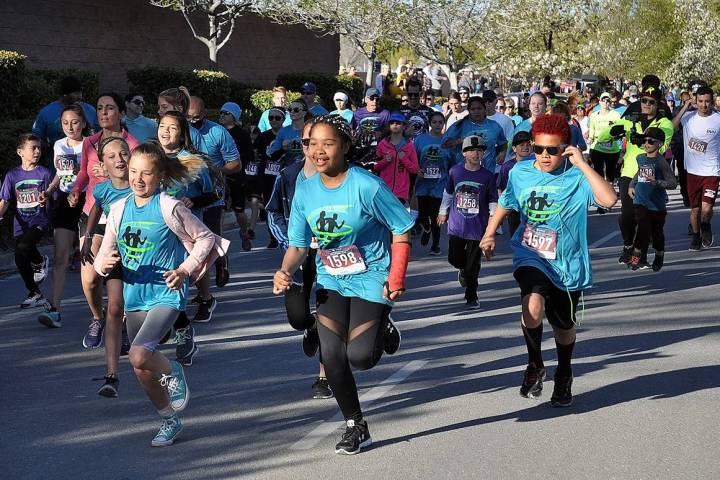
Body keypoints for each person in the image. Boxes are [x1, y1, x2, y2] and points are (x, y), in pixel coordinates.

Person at [273, 115, 410, 455]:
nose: (318, 151)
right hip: (331, 278)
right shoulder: (305, 190)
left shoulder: (367, 186)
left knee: (360, 357)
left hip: (371, 277)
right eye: (312, 143)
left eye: (327, 143)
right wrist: (285, 271)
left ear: (345, 146)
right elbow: (299, 245)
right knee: (332, 355)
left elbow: (401, 228)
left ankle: (382, 327)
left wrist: (397, 277)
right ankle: (355, 424)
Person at [95, 142, 228, 447]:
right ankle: (169, 420)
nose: (138, 179)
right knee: (141, 367)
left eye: (146, 174)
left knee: (140, 353)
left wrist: (184, 269)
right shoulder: (117, 210)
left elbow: (206, 238)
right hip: (135, 296)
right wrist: (107, 263)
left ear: (161, 176)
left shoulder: (170, 206)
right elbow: (102, 257)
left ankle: (175, 370)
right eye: (133, 172)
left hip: (168, 294)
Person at [480, 114, 617, 408]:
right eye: (538, 148)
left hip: (568, 265)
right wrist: (489, 234)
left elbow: (608, 200)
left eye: (552, 150)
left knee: (563, 326)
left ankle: (564, 373)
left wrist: (582, 164)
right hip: (531, 254)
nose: (543, 155)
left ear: (565, 148)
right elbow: (506, 202)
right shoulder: (520, 172)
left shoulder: (578, 175)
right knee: (532, 304)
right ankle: (534, 364)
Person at [267, 121, 332, 399]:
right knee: (298, 317)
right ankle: (311, 327)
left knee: (331, 315)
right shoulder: (288, 175)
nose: (314, 148)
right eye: (307, 142)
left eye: (321, 142)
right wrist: (291, 241)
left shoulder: (339, 177)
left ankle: (325, 377)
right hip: (298, 255)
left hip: (332, 256)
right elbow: (274, 212)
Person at [69, 92, 139, 349]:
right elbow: (83, 175)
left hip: (123, 216)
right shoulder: (90, 142)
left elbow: (141, 178)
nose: (104, 113)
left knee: (118, 275)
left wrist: (113, 173)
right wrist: (76, 190)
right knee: (89, 277)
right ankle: (97, 318)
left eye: (110, 108)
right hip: (93, 213)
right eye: (100, 108)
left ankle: (120, 322)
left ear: (120, 112)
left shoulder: (132, 144)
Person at [157, 111, 219, 364]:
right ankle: (170, 325)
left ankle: (183, 331)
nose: (166, 131)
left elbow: (214, 194)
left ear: (182, 134)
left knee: (175, 284)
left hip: (185, 235)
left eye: (172, 128)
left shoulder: (193, 161)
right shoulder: (151, 157)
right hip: (156, 233)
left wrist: (193, 200)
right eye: (162, 126)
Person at [79, 136, 133, 396]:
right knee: (114, 306)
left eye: (123, 153)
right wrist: (88, 238)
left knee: (139, 309)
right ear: (102, 164)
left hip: (144, 256)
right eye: (111, 157)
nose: (119, 160)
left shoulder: (143, 185)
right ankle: (112, 375)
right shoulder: (102, 189)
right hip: (116, 254)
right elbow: (95, 211)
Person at [597, 86, 673, 265]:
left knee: (644, 218)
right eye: (644, 100)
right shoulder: (630, 121)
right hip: (629, 173)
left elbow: (661, 148)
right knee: (627, 216)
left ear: (658, 103)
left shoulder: (664, 124)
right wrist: (615, 129)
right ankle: (628, 244)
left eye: (651, 102)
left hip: (649, 174)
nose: (646, 104)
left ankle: (641, 255)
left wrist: (641, 139)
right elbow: (603, 138)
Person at [37, 105, 90, 328]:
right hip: (65, 201)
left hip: (88, 202)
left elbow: (92, 173)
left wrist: (80, 193)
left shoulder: (91, 144)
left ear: (83, 123)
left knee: (90, 258)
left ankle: (102, 306)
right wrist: (48, 191)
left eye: (75, 122)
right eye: (65, 122)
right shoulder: (59, 144)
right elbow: (61, 172)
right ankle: (55, 308)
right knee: (60, 257)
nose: (70, 127)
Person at [186, 96, 238, 318]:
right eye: (188, 118)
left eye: (196, 118)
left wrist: (217, 171)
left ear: (205, 114)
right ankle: (202, 291)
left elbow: (236, 164)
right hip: (187, 196)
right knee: (194, 245)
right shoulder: (180, 130)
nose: (192, 122)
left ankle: (220, 261)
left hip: (211, 195)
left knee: (209, 240)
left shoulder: (217, 132)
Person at [437, 135, 497, 309]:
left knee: (473, 266)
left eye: (479, 151)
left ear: (484, 154)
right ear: (464, 153)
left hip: (477, 227)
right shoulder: (455, 171)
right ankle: (462, 270)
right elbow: (448, 193)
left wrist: (494, 219)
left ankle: (471, 295)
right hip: (457, 225)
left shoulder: (487, 176)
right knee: (454, 258)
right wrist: (443, 212)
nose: (475, 154)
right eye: (471, 150)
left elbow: (493, 198)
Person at [0, 134, 52, 308]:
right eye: (33, 148)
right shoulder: (12, 175)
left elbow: (52, 195)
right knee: (19, 258)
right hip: (20, 222)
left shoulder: (44, 173)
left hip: (39, 220)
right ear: (20, 152)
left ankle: (39, 262)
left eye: (39, 147)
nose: (37, 151)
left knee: (24, 247)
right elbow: (5, 200)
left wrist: (47, 199)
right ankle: (35, 293)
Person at [672, 86, 720, 250]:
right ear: (696, 101)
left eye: (707, 101)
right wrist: (685, 106)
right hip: (692, 171)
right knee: (695, 210)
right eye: (700, 101)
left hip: (712, 171)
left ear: (712, 102)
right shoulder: (688, 117)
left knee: (706, 209)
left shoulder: (718, 119)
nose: (703, 105)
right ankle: (695, 236)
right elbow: (671, 127)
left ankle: (705, 225)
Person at [627, 127, 677, 271]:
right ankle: (635, 258)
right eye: (645, 140)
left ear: (660, 144)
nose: (646, 143)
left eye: (651, 141)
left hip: (657, 205)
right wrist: (632, 185)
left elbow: (673, 183)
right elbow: (638, 173)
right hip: (640, 201)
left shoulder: (661, 162)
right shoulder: (640, 158)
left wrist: (657, 182)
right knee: (642, 228)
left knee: (657, 234)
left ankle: (659, 255)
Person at [218, 101, 256, 251]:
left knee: (239, 210)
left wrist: (241, 170)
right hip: (219, 176)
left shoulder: (242, 134)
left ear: (234, 117)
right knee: (219, 209)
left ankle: (244, 232)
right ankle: (219, 241)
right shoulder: (216, 130)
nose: (222, 115)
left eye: (226, 113)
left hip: (237, 176)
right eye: (221, 112)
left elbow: (249, 156)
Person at [415, 111, 452, 255]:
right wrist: (416, 171)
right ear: (430, 124)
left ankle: (435, 245)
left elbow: (452, 161)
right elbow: (414, 159)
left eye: (440, 122)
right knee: (423, 214)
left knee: (436, 215)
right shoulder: (420, 140)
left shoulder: (447, 141)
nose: (437, 125)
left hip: (440, 183)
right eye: (434, 122)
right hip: (423, 183)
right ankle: (426, 228)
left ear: (443, 124)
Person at [442, 96, 507, 172]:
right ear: (468, 110)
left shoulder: (494, 126)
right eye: (473, 109)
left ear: (484, 109)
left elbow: (503, 144)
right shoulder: (459, 126)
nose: (476, 111)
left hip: (487, 172)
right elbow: (444, 145)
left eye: (479, 108)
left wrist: (502, 153)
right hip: (464, 172)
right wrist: (460, 141)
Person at [32, 75, 99, 147]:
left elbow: (100, 133)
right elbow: (36, 137)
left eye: (80, 93)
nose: (80, 96)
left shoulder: (90, 110)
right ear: (65, 94)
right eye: (75, 93)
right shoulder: (46, 113)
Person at [588, 92, 622, 214]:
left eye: (608, 101)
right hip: (597, 147)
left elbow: (620, 129)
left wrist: (617, 138)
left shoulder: (616, 115)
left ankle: (609, 199)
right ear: (600, 102)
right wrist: (590, 137)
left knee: (610, 175)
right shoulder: (594, 115)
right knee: (598, 174)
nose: (606, 103)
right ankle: (601, 201)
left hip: (612, 149)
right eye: (603, 100)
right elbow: (591, 127)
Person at [374, 112, 419, 204]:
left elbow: (415, 169)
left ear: (403, 126)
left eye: (398, 123)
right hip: (384, 190)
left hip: (401, 193)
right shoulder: (382, 144)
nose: (395, 125)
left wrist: (404, 159)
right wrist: (385, 161)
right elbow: (375, 166)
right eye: (392, 122)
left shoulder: (409, 145)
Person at [497, 131, 534, 236]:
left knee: (531, 240)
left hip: (532, 206)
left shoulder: (537, 164)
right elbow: (501, 188)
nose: (525, 147)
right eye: (521, 145)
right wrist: (504, 209)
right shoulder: (507, 166)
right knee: (516, 237)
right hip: (515, 208)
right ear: (514, 148)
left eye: (528, 144)